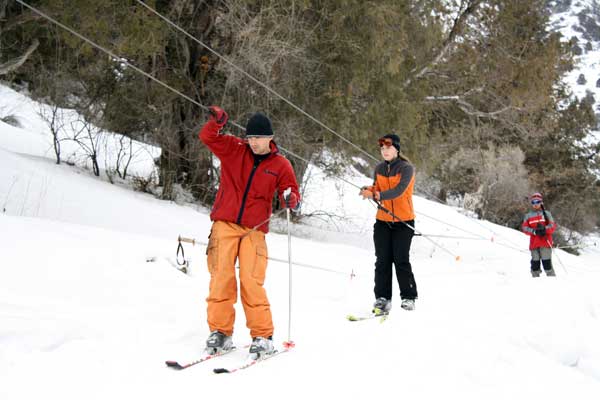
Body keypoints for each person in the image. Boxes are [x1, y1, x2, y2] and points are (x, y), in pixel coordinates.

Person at [199, 106, 301, 358]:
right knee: (221, 277)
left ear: (270, 138)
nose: (253, 143)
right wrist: (217, 123)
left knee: (251, 281)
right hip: (225, 223)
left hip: (254, 230)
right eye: (251, 138)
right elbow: (208, 137)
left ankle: (262, 336)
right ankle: (220, 332)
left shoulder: (281, 164)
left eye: (258, 138)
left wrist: (291, 199)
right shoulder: (234, 149)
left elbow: (291, 191)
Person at [359, 134, 418, 313]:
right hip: (383, 221)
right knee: (382, 261)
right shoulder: (379, 168)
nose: (385, 151)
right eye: (382, 149)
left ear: (397, 149)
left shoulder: (406, 168)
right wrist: (368, 190)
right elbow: (377, 187)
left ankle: (408, 297)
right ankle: (382, 298)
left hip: (403, 221)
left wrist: (377, 195)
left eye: (388, 148)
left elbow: (399, 191)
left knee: (401, 260)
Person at [521, 192, 556, 277]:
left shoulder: (546, 214)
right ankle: (535, 282)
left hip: (545, 243)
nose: (535, 204)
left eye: (537, 202)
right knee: (535, 265)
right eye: (533, 202)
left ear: (541, 202)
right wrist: (534, 231)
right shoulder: (528, 215)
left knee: (547, 264)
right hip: (534, 244)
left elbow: (552, 226)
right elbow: (524, 228)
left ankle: (553, 281)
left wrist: (545, 229)